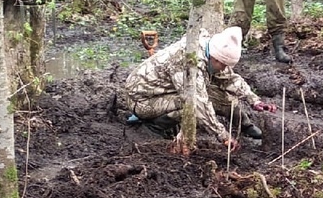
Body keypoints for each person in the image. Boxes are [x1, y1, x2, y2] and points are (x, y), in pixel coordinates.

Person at [117, 27, 276, 148]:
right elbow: (199, 103)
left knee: (218, 96)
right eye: (223, 65)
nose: (223, 69)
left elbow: (229, 79)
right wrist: (223, 135)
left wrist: (254, 99)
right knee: (190, 105)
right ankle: (154, 128)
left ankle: (246, 127)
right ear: (216, 60)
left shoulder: (211, 53)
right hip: (142, 100)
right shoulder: (188, 61)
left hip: (164, 91)